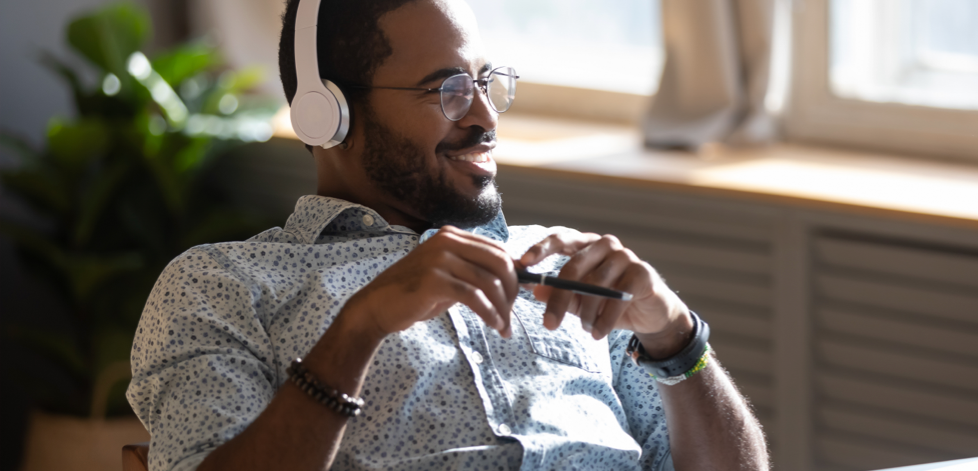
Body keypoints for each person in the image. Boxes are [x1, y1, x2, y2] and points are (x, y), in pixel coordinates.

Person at [125, 0, 769, 469]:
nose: (485, 117)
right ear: (328, 113)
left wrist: (676, 337)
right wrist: (358, 329)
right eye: (449, 90)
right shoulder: (219, 286)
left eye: (487, 83)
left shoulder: (570, 269)